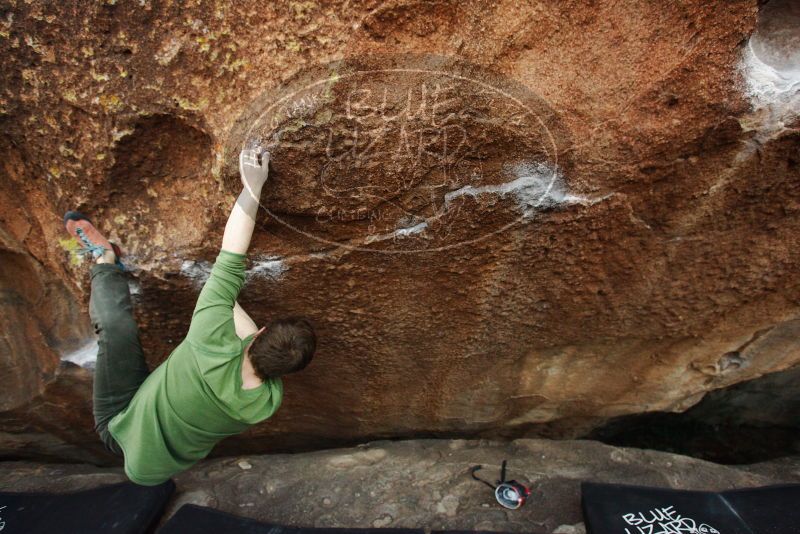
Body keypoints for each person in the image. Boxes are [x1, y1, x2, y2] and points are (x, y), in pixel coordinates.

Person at [64, 148, 316, 485]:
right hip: (153, 459)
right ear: (284, 375)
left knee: (115, 329)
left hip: (120, 423)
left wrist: (253, 186)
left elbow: (231, 257)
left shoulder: (209, 340)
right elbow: (247, 345)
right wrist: (222, 298)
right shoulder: (266, 404)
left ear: (261, 333)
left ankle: (105, 260)